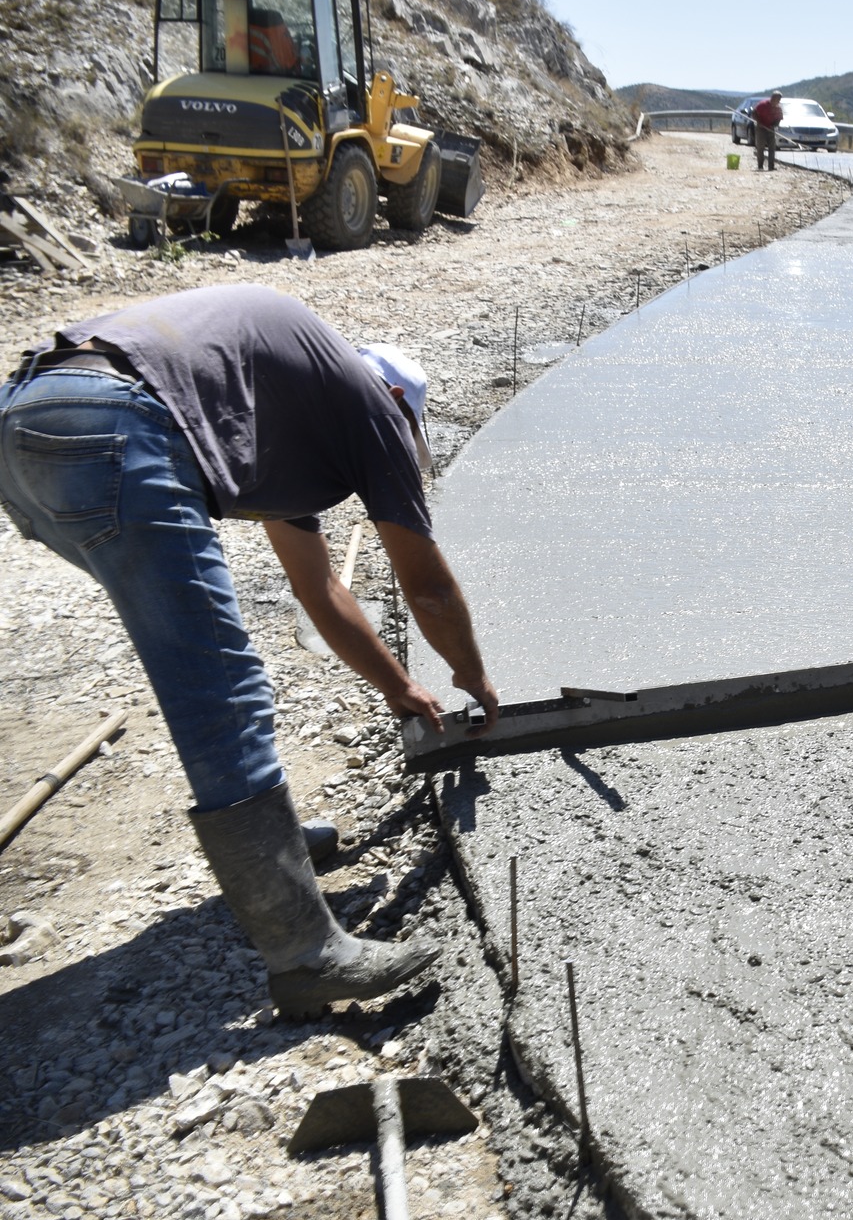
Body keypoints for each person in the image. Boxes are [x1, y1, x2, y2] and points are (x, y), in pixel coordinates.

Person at [0, 285, 501, 1016]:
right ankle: (305, 951)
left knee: (199, 660)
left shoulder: (282, 405)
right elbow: (424, 587)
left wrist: (398, 687)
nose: (401, 447)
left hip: (26, 424)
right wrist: (474, 674)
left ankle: (274, 854)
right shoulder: (371, 405)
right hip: (114, 423)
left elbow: (318, 586)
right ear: (397, 399)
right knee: (220, 688)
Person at [752, 91, 784, 172]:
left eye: (779, 100)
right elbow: (754, 113)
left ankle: (771, 166)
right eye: (777, 99)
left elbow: (779, 119)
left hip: (770, 129)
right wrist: (759, 122)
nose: (778, 101)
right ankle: (760, 166)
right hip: (761, 128)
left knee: (772, 148)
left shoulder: (778, 108)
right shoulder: (762, 104)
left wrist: (774, 125)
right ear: (772, 98)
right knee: (760, 147)